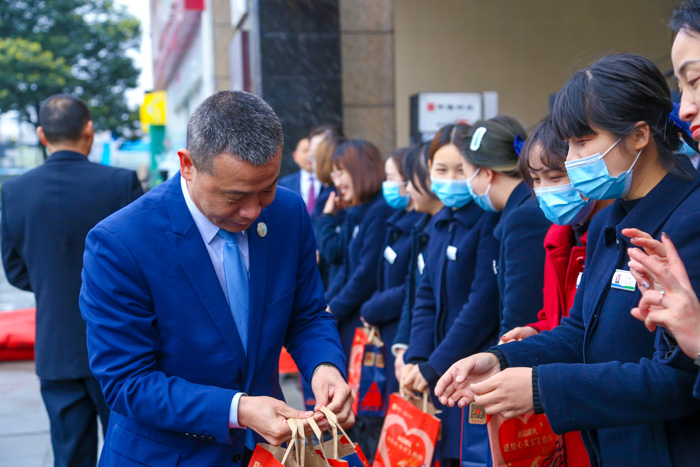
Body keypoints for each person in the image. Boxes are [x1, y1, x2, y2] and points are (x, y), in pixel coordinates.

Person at [436, 54, 700, 467]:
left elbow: (678, 377)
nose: (573, 159)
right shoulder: (607, 221)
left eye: (582, 143)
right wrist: (503, 359)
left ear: (638, 136)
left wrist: (542, 388)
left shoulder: (689, 221)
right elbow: (579, 331)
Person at [79, 91, 353, 466]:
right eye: (234, 196)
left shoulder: (288, 213)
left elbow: (306, 314)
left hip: (265, 453)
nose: (253, 211)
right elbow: (127, 382)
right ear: (187, 165)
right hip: (167, 455)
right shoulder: (121, 243)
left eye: (266, 189)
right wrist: (238, 409)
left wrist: (325, 367)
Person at [0, 94, 142, 467]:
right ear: (89, 130)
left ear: (42, 135)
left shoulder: (14, 191)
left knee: (69, 456)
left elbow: (15, 270)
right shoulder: (119, 183)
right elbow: (147, 263)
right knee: (131, 452)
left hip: (54, 350)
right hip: (120, 348)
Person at [500, 116, 609, 466]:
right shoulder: (558, 238)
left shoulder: (611, 238)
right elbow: (561, 320)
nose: (545, 188)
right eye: (536, 179)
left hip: (596, 408)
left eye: (555, 176)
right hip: (566, 417)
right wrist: (536, 330)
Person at [401, 123, 500, 466]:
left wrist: (434, 365)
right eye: (442, 169)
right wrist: (416, 357)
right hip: (438, 369)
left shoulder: (488, 221)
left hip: (472, 373)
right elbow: (425, 296)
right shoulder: (440, 222)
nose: (452, 178)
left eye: (462, 169)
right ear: (429, 171)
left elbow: (481, 306)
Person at [461, 116, 551, 336]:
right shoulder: (517, 209)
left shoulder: (524, 219)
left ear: (486, 173)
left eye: (466, 174)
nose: (468, 184)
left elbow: (520, 313)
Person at [360, 146, 424, 398]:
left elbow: (411, 287)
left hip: (401, 327)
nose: (387, 185)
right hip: (388, 331)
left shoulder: (417, 228)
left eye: (391, 178)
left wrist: (371, 308)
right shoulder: (396, 221)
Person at [392, 143, 443, 382]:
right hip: (421, 354)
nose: (408, 188)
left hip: (441, 360)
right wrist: (405, 347)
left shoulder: (444, 230)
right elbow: (417, 293)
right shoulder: (422, 227)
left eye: (411, 179)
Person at [278, 137, 321, 215]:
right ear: (295, 156)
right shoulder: (285, 184)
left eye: (313, 151)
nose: (310, 155)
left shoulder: (329, 182)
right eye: (305, 151)